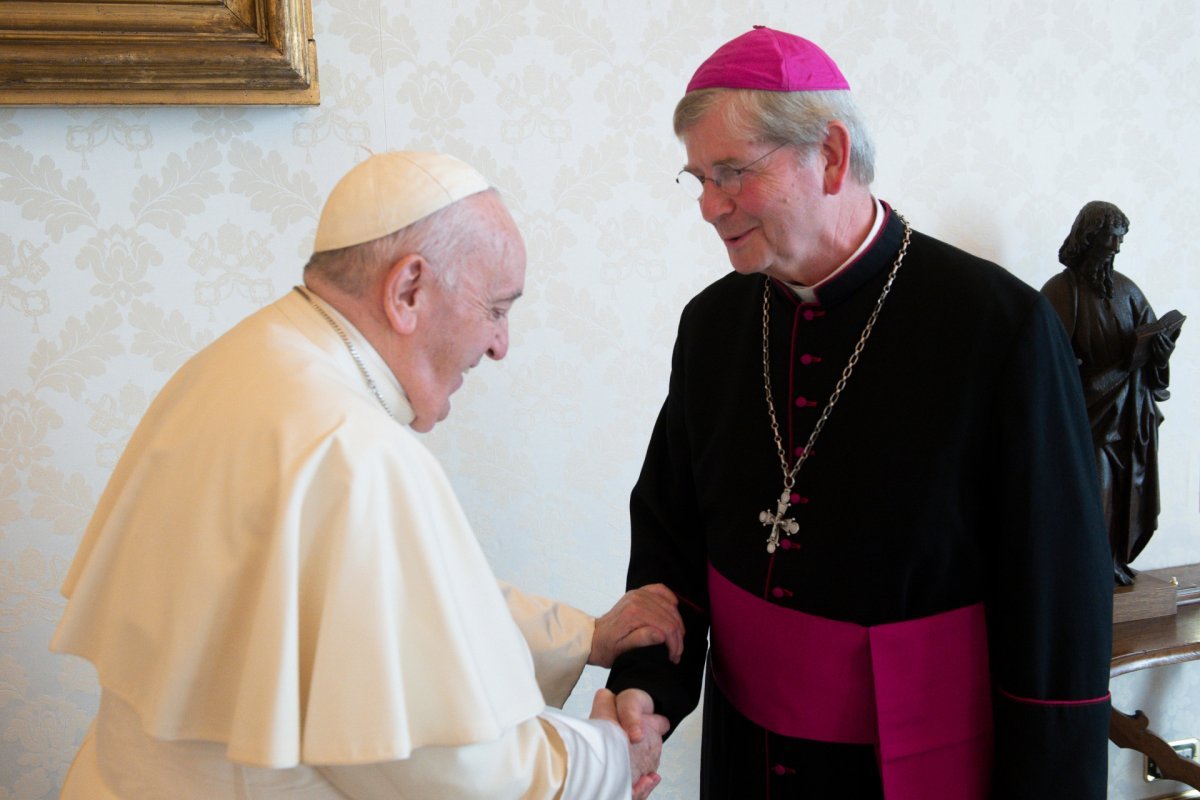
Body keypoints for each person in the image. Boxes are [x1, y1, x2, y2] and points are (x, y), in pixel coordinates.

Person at [51, 150, 685, 799]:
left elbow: (381, 604)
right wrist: (607, 759)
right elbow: (445, 765)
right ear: (408, 290)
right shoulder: (354, 449)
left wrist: (581, 636)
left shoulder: (235, 366)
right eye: (496, 309)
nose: (501, 344)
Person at [605, 26, 1113, 799]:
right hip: (747, 762)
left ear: (832, 156)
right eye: (699, 177)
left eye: (732, 173)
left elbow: (1056, 607)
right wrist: (647, 687)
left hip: (920, 767)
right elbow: (672, 537)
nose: (710, 206)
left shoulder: (995, 328)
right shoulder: (713, 324)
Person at [1041, 201, 1183, 585]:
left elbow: (1151, 346)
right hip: (1089, 414)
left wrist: (1159, 354)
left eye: (1121, 241)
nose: (1116, 249)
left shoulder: (1128, 291)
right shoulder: (1061, 291)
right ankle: (1090, 568)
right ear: (1089, 238)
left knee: (1128, 493)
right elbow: (1048, 362)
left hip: (1129, 415)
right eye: (1110, 239)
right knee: (1095, 490)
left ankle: (1115, 561)